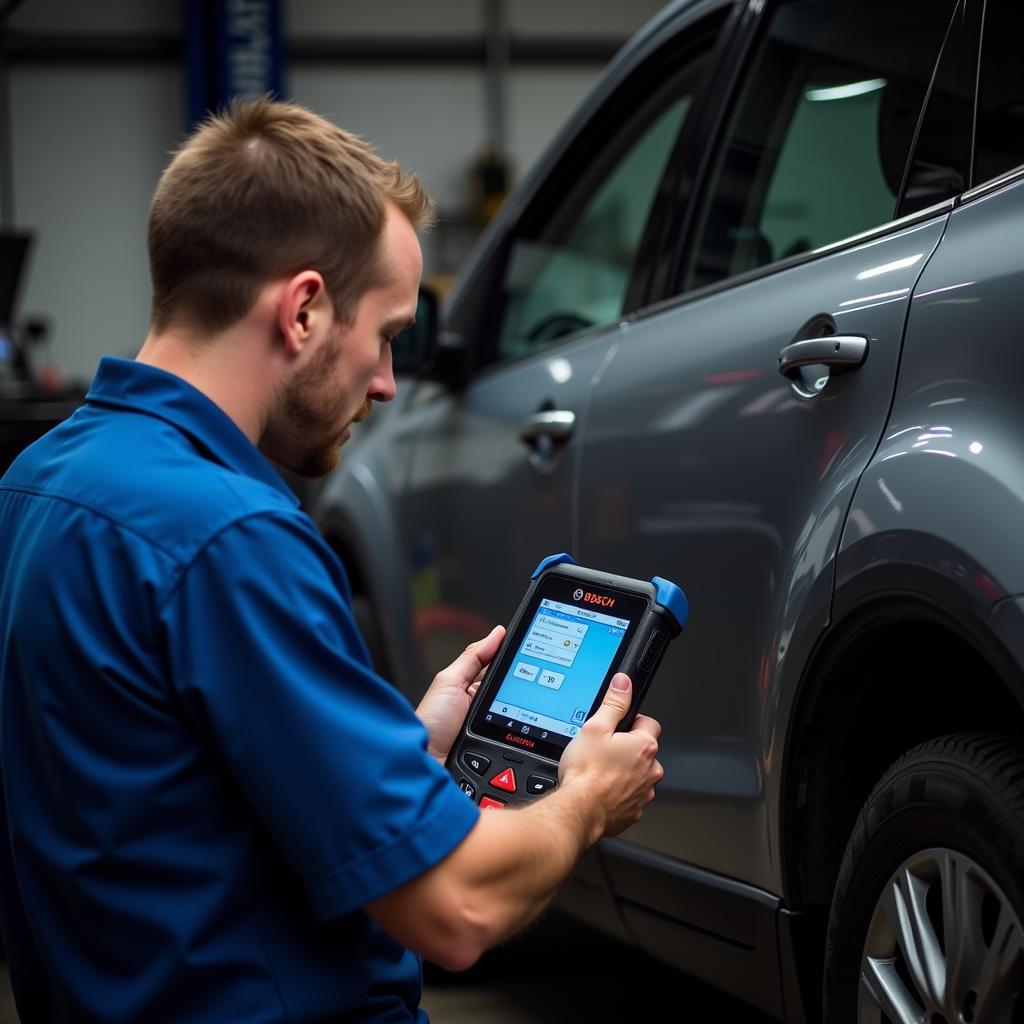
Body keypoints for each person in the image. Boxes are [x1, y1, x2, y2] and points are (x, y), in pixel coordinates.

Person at [0, 98, 663, 1023]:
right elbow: (459, 909)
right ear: (305, 309)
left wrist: (407, 746)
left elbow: (167, 794)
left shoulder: (38, 483)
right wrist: (589, 796)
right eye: (387, 335)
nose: (389, 383)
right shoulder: (230, 537)